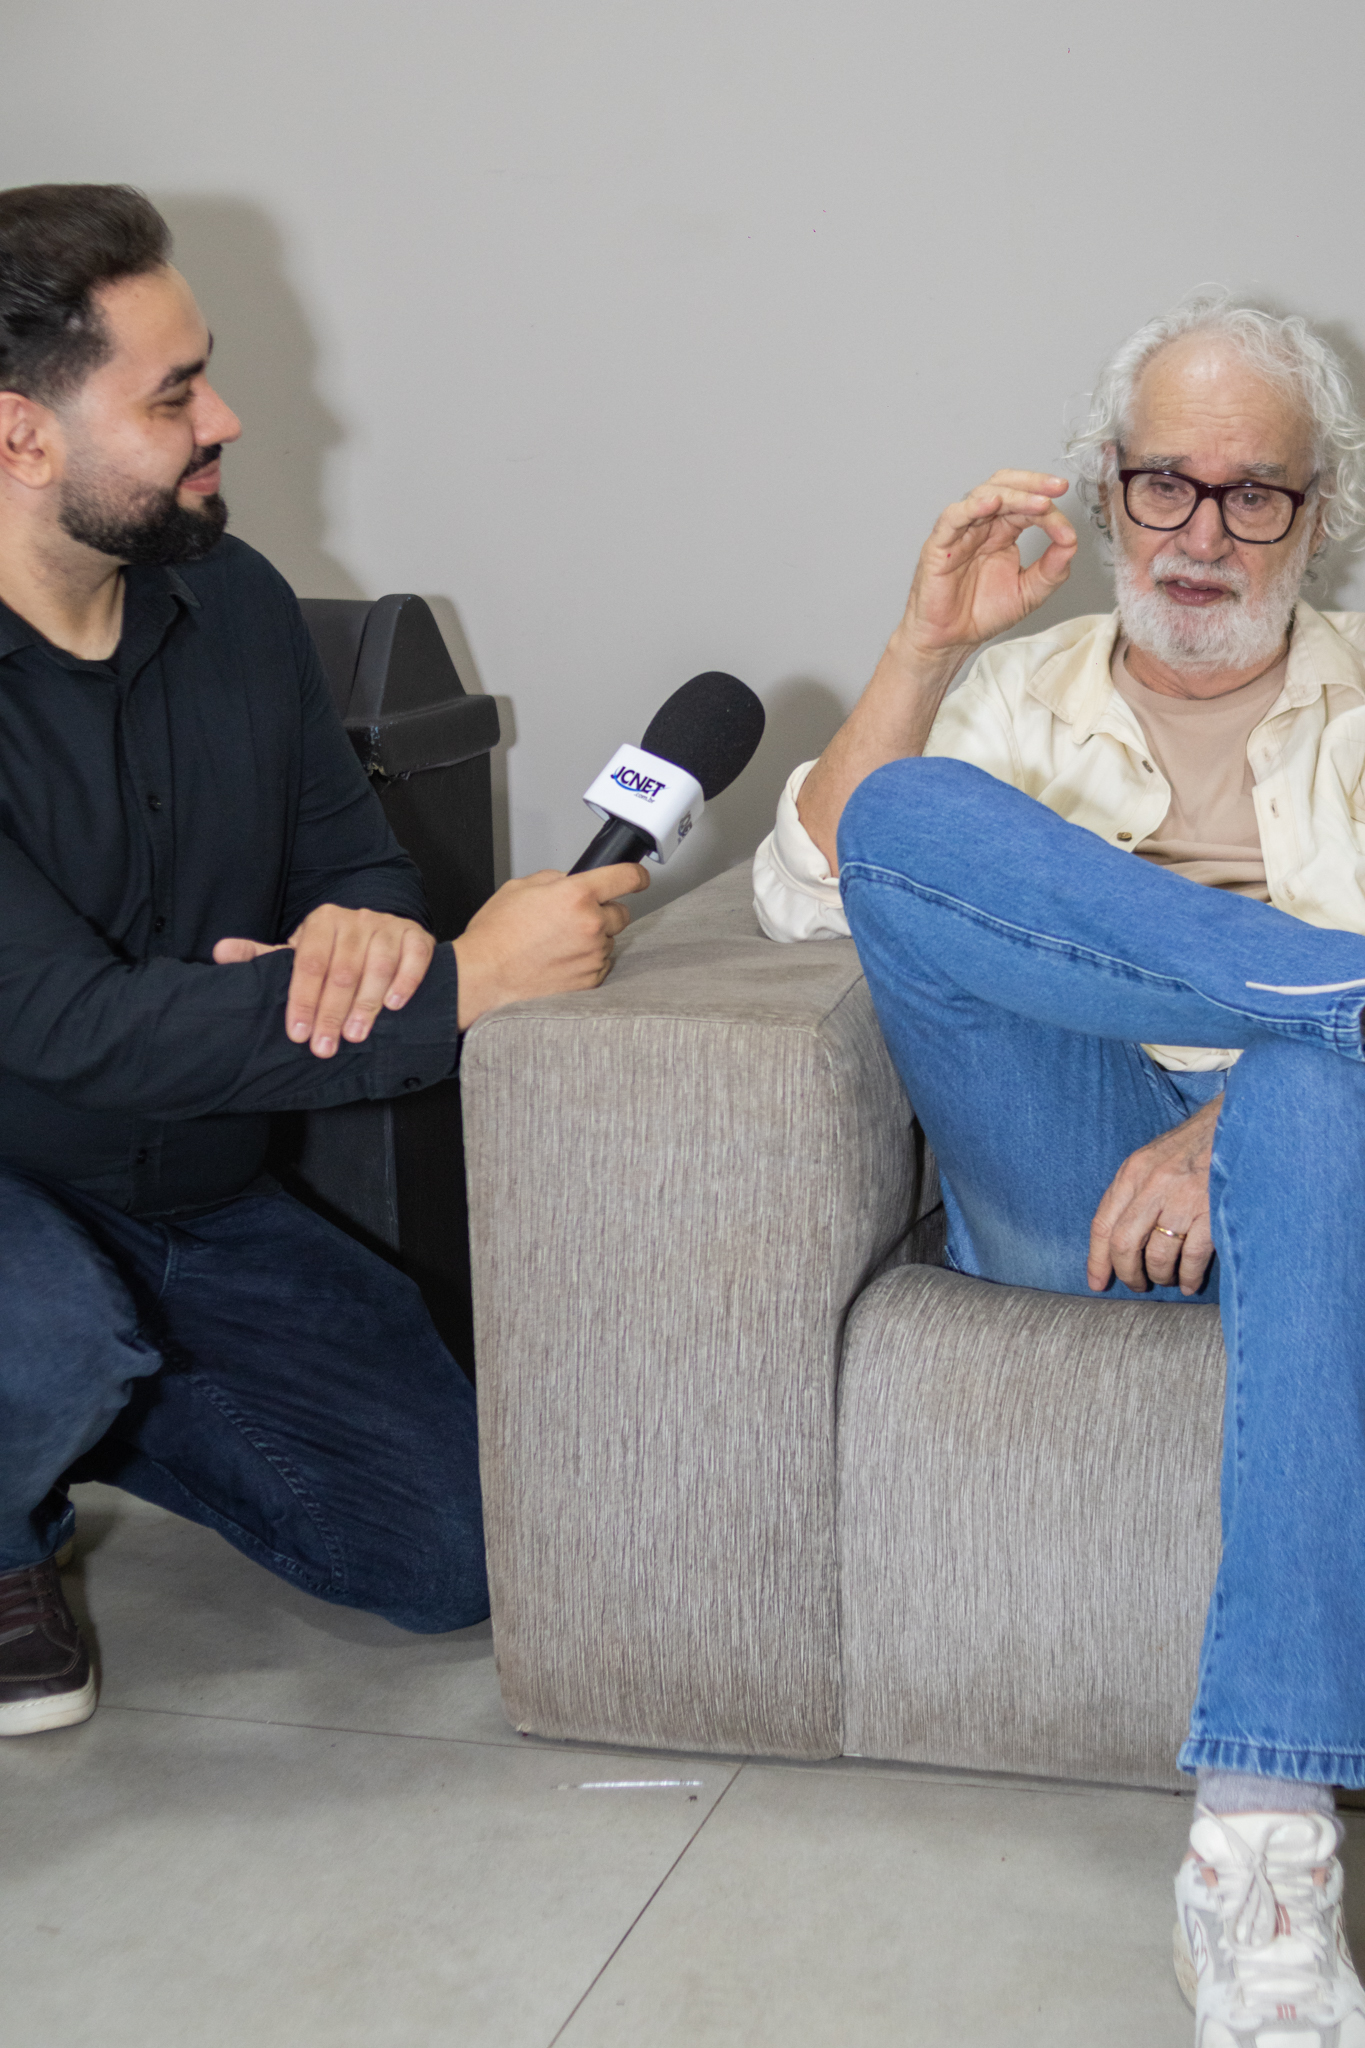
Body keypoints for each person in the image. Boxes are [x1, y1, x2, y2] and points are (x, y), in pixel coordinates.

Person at [754, 290, 1365, 2046]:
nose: (1200, 533)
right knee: (903, 820)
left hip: (1315, 1175)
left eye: (1252, 492)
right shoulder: (1007, 691)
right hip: (1067, 1176)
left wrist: (1230, 1113)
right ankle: (1335, 997)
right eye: (1162, 483)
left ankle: (1260, 1846)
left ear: (1315, 514)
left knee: (1313, 1100)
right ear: (1103, 493)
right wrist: (921, 645)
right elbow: (805, 896)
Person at [0, 184, 647, 1740]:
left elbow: (351, 862)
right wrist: (464, 985)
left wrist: (366, 925)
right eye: (172, 396)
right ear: (19, 437)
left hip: (200, 1196)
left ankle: (81, 1401)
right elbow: (74, 1024)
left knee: (450, 1559)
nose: (224, 419)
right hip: (14, 1182)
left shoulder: (233, 602)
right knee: (50, 1330)